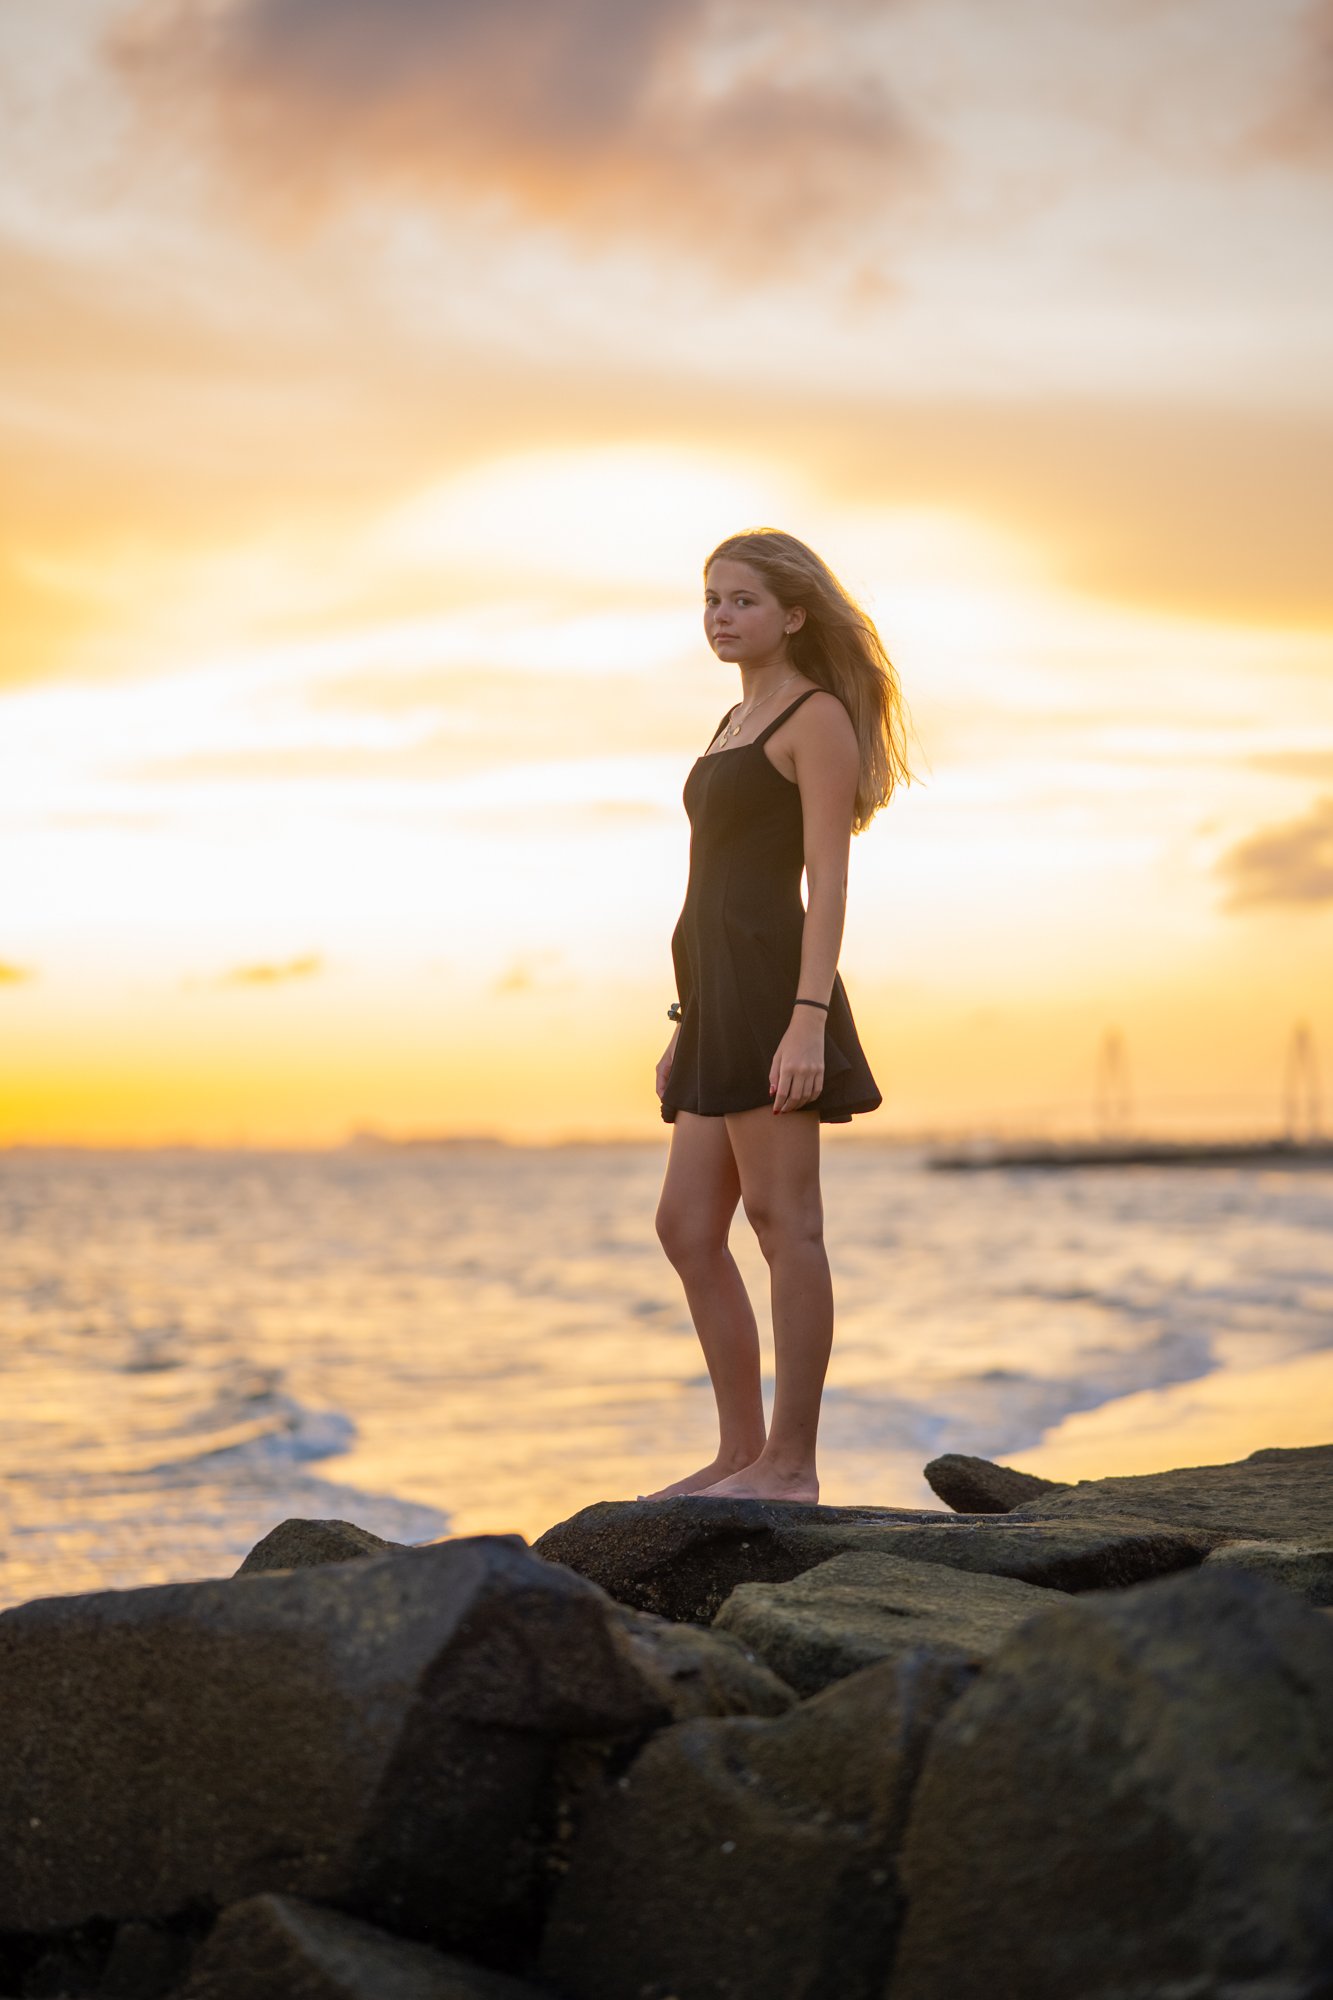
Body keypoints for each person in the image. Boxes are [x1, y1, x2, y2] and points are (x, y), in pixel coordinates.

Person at [651, 528, 916, 1503]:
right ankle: (738, 1453)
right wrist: (686, 1021)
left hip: (774, 991)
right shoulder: (733, 717)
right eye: (711, 598)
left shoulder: (813, 719)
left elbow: (828, 882)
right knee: (685, 1224)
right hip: (716, 1000)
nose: (721, 614)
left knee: (783, 1222)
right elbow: (709, 880)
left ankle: (792, 1466)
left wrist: (807, 1017)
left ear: (794, 612)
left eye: (742, 599)